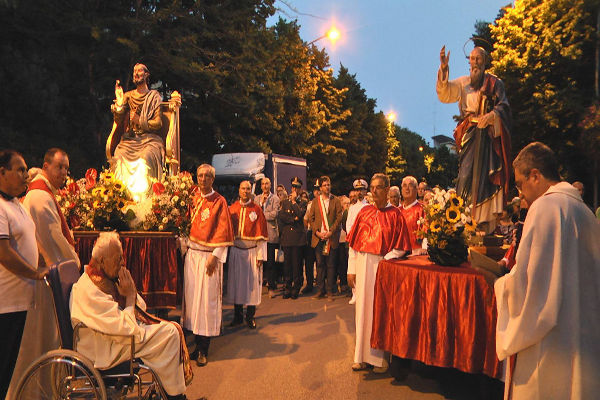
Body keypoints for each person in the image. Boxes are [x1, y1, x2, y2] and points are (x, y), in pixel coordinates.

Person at [493, 142, 600, 399]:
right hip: (584, 340)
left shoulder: (544, 208)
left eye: (520, 184)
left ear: (535, 175)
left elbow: (531, 285)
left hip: (550, 346)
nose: (521, 194)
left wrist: (500, 285)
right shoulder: (585, 212)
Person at [70, 232, 188, 400]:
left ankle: (172, 393)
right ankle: (175, 396)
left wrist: (128, 294)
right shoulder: (90, 290)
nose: (123, 263)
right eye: (118, 259)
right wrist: (130, 297)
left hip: (114, 338)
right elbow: (126, 329)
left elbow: (139, 310)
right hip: (104, 349)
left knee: (168, 331)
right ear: (102, 260)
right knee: (169, 334)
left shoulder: (104, 278)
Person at [9, 148, 81, 397]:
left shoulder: (43, 193)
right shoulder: (39, 196)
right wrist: (75, 263)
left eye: (66, 168)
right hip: (42, 282)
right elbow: (53, 243)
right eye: (59, 167)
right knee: (41, 342)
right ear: (46, 165)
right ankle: (35, 392)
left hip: (40, 279)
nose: (64, 173)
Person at [437, 46, 512, 233]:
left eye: (479, 59)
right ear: (468, 61)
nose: (475, 62)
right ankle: (463, 215)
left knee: (485, 177)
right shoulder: (463, 83)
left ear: (485, 61)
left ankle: (483, 218)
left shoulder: (495, 83)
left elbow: (504, 106)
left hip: (487, 137)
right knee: (465, 175)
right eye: (472, 59)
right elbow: (445, 94)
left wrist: (492, 115)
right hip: (469, 134)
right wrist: (444, 70)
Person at [347, 173, 411, 373]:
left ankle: (378, 359)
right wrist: (351, 269)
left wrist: (386, 260)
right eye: (372, 187)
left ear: (387, 189)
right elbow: (354, 246)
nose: (373, 191)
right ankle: (361, 356)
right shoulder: (364, 212)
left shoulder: (395, 214)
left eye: (378, 187)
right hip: (362, 264)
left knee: (379, 312)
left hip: (382, 267)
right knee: (362, 312)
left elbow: (401, 247)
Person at [0, 150, 48, 399]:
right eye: (20, 169)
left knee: (7, 368)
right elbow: (4, 254)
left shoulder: (16, 204)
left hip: (19, 302)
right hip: (4, 303)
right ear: (2, 172)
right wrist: (35, 273)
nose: (25, 175)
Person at [184, 164, 233, 366]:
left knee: (206, 303)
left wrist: (216, 255)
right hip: (192, 256)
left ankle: (204, 349)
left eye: (206, 176)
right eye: (200, 176)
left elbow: (224, 231)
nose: (202, 179)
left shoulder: (219, 202)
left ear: (212, 179)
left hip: (208, 258)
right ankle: (195, 344)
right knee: (193, 303)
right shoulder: (192, 198)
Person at [111, 63, 164, 195]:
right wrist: (118, 103)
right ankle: (121, 198)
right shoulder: (128, 96)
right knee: (118, 157)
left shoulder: (154, 96)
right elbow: (118, 120)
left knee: (145, 158)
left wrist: (139, 120)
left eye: (139, 71)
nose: (136, 73)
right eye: (134, 71)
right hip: (131, 140)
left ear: (146, 75)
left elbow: (158, 123)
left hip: (149, 140)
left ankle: (145, 200)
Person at [226, 181, 268, 329]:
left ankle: (250, 317)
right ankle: (237, 316)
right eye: (243, 188)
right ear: (239, 190)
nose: (245, 191)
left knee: (252, 286)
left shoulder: (256, 210)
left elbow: (262, 236)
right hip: (236, 251)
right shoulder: (232, 209)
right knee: (236, 284)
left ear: (251, 191)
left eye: (248, 189)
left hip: (251, 252)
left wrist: (260, 256)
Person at [306, 176, 343, 300]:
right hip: (319, 238)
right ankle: (320, 290)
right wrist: (317, 232)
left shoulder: (336, 200)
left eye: (329, 185)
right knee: (320, 265)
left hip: (331, 238)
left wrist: (330, 232)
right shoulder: (316, 201)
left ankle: (330, 291)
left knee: (331, 265)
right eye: (325, 185)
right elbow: (311, 218)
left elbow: (339, 218)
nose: (327, 187)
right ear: (320, 187)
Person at [277, 177, 307, 299]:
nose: (295, 189)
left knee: (297, 264)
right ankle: (287, 286)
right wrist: (292, 220)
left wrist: (295, 202)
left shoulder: (303, 202)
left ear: (300, 189)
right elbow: (281, 217)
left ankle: (296, 287)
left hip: (298, 239)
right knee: (287, 265)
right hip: (287, 237)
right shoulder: (284, 202)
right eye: (293, 187)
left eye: (297, 187)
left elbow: (300, 214)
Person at [345, 179, 369, 305]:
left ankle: (363, 293)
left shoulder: (369, 207)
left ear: (365, 191)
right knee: (353, 267)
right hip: (354, 242)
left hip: (365, 242)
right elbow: (348, 224)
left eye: (362, 190)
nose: (359, 192)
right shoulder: (352, 208)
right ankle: (354, 293)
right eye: (357, 190)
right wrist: (352, 236)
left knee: (363, 268)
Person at [257, 177, 280, 298]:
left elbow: (274, 214)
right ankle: (258, 285)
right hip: (258, 235)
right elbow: (253, 214)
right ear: (260, 186)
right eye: (263, 184)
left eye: (267, 184)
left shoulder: (275, 198)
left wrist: (261, 215)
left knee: (271, 262)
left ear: (270, 185)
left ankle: (271, 287)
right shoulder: (256, 199)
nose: (265, 186)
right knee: (259, 262)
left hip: (270, 234)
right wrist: (260, 204)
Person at [399, 176, 426, 254]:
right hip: (397, 253)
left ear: (416, 189)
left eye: (410, 185)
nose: (407, 188)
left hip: (415, 253)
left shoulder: (422, 209)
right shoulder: (397, 211)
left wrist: (424, 248)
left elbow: (426, 231)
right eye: (404, 186)